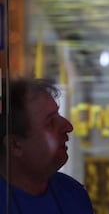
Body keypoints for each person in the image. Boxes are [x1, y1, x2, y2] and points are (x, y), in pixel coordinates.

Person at [0, 78, 94, 214]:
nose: (68, 127)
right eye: (50, 122)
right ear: (14, 145)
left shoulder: (73, 193)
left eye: (58, 114)